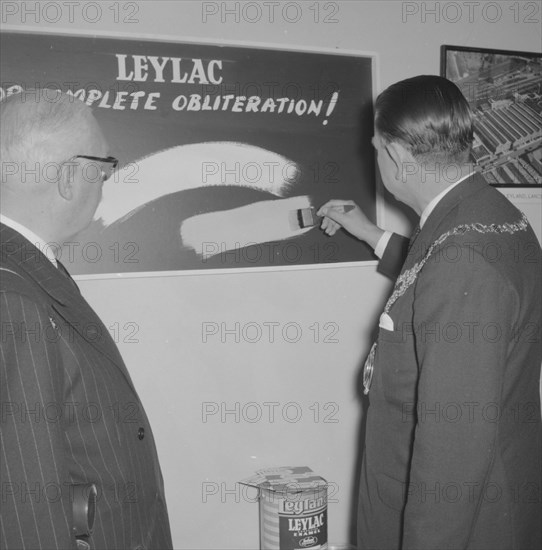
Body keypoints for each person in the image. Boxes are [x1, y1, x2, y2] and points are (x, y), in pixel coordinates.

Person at [318, 75, 541, 550]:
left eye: (377, 147)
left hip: (453, 521)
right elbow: (434, 275)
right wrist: (369, 233)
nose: (375, 156)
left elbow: (452, 453)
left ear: (398, 158)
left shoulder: (463, 262)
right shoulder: (484, 213)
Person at [0, 90, 173, 550]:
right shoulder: (11, 296)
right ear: (66, 176)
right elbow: (23, 501)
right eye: (101, 167)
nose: (103, 182)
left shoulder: (29, 268)